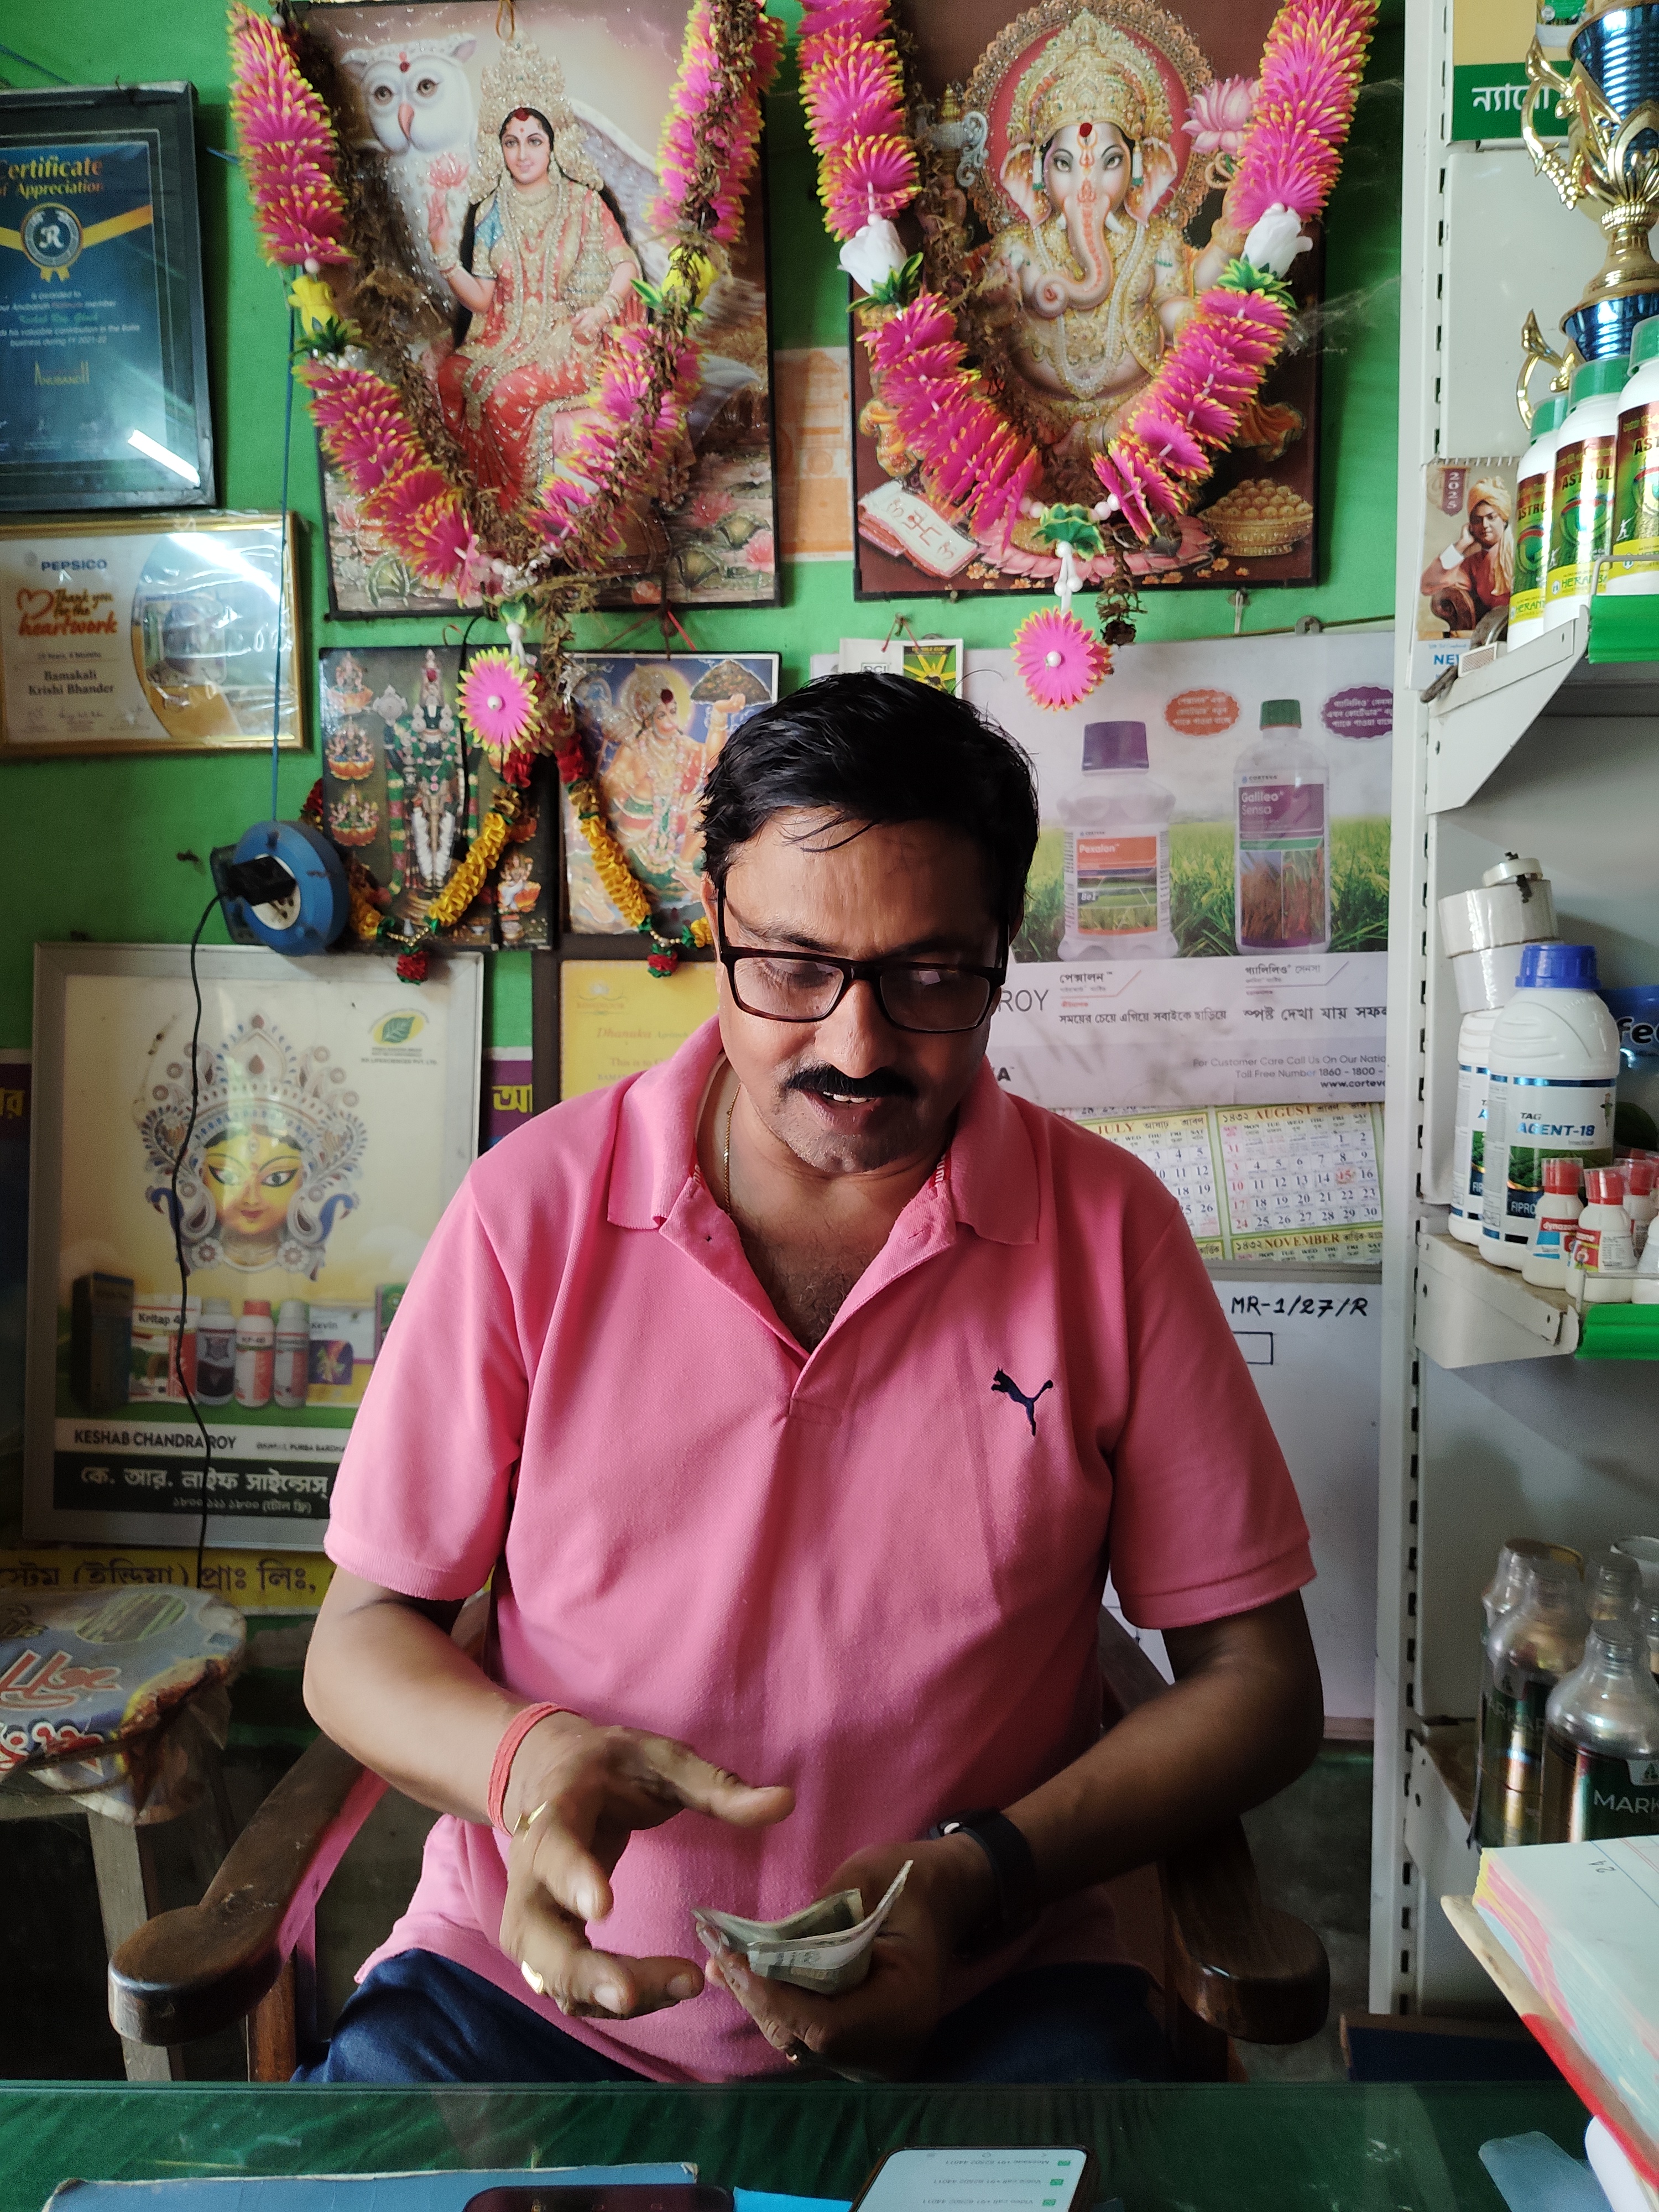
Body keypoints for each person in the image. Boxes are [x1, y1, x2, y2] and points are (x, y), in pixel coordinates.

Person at [301, 671, 1322, 2086]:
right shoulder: (529, 1213)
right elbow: (360, 1636)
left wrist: (980, 1871)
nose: (855, 1047)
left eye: (929, 977)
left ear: (1001, 952)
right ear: (712, 923)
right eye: (789, 968)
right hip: (521, 1999)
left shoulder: (1107, 1233)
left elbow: (1259, 1681)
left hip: (989, 1993)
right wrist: (528, 1765)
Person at [431, 36, 643, 509]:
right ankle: (476, 501)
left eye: (534, 141)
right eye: (512, 142)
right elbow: (482, 300)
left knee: (506, 395)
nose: (522, 154)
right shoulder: (491, 211)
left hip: (571, 343)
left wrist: (602, 311)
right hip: (503, 339)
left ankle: (519, 508)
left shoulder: (584, 203)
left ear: (553, 144)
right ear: (500, 147)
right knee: (450, 375)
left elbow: (626, 265)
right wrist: (444, 255)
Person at [1419, 480, 1514, 635]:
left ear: (1504, 520)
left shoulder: (1519, 553)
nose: (1485, 525)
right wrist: (1461, 545)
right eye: (1477, 520)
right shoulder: (1472, 563)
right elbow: (1428, 585)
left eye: (1491, 517)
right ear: (1471, 526)